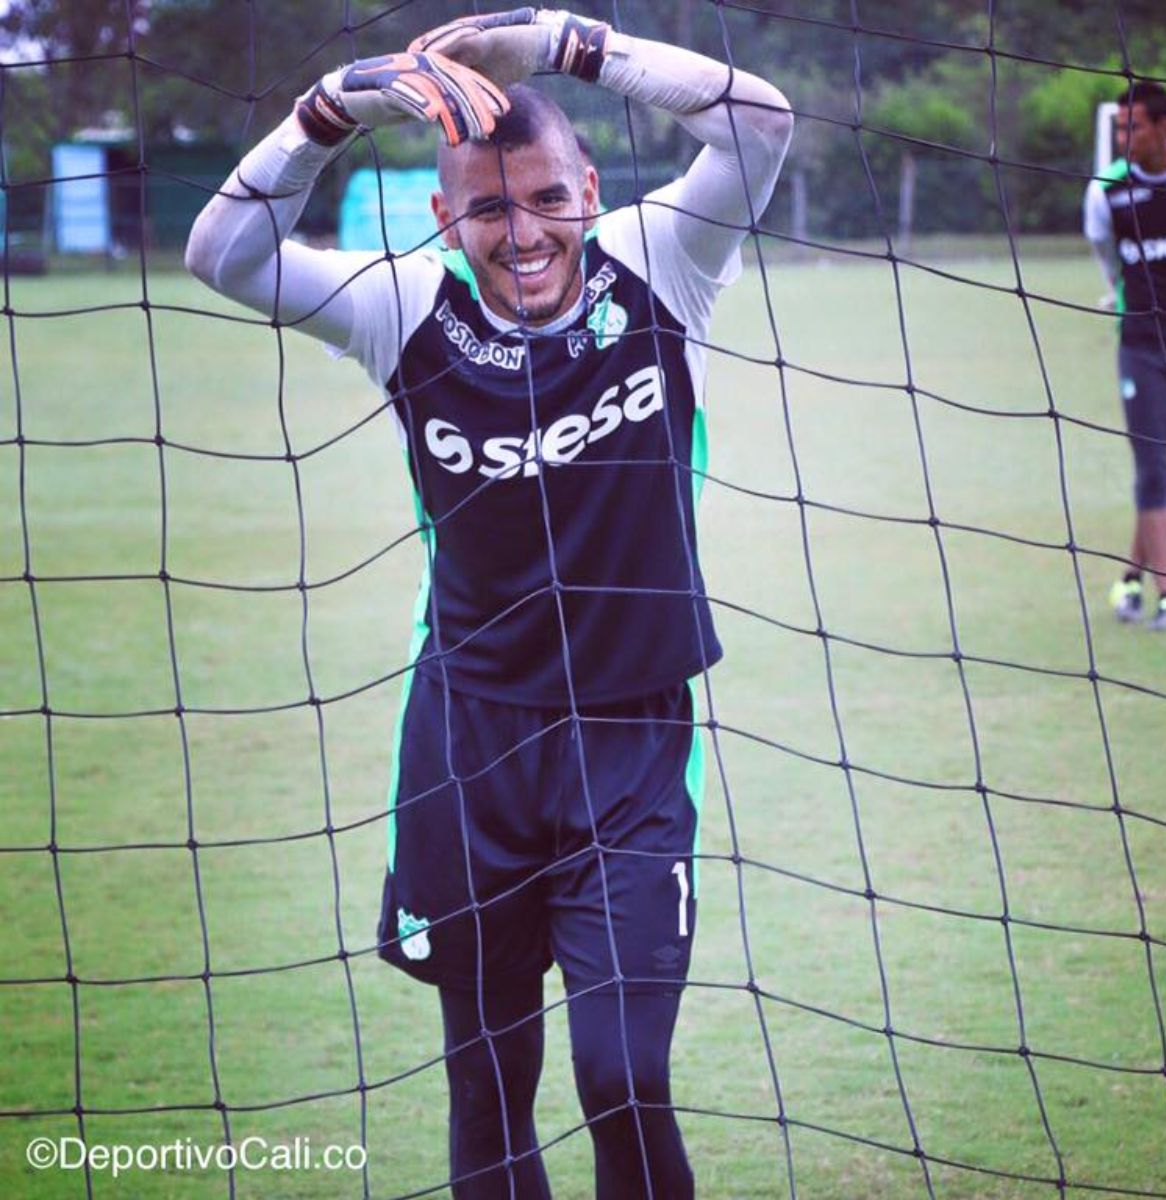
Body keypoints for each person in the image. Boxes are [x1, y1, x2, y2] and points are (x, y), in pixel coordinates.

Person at [187, 9, 792, 1197]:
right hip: (467, 745)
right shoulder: (406, 307)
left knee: (622, 1073)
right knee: (487, 1078)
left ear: (589, 186)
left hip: (628, 741)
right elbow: (222, 255)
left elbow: (760, 127)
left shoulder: (659, 260)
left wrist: (577, 47)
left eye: (548, 200)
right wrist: (333, 108)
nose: (523, 235)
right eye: (488, 209)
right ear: (442, 217)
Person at [1084, 80, 1166, 631]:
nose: (1124, 137)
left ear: (1163, 127)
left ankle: (1130, 580)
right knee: (1152, 466)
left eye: (1134, 127)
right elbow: (1108, 260)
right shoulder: (1106, 190)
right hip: (1141, 347)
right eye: (1119, 128)